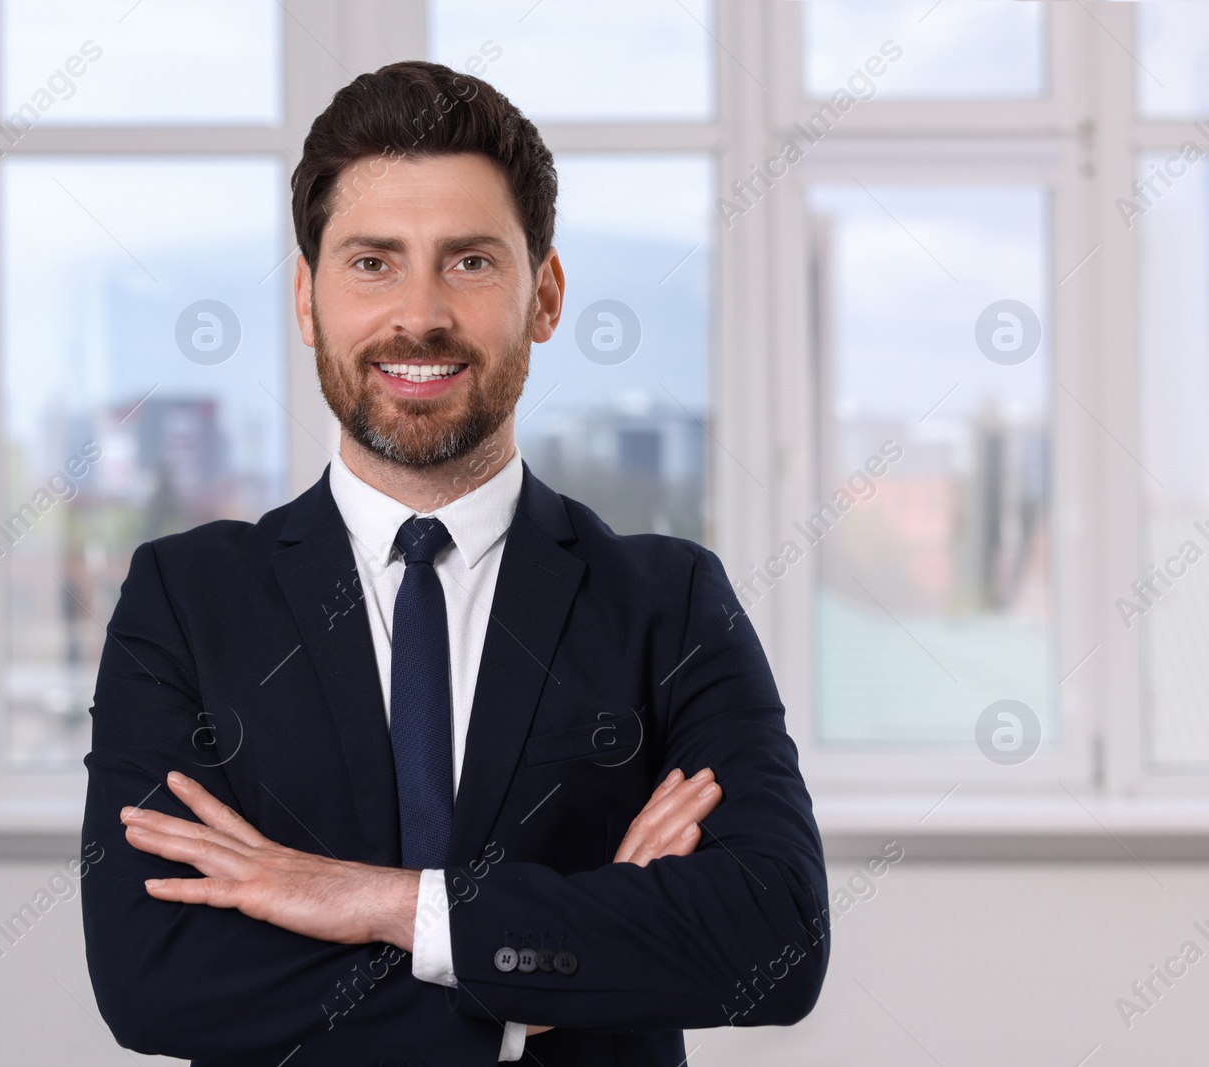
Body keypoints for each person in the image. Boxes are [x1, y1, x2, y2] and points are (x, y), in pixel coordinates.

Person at [80, 60, 828, 1066]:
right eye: (372, 262)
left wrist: (375, 901)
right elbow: (154, 973)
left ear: (545, 295)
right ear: (307, 299)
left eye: (470, 261)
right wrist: (557, 970)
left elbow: (774, 939)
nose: (421, 314)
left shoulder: (668, 603)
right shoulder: (185, 601)